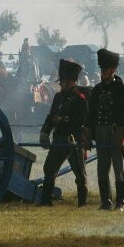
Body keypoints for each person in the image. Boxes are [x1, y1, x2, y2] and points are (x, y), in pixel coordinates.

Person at [37, 59, 89, 207]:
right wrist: (45, 131)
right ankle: (46, 201)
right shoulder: (58, 97)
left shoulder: (80, 99)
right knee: (49, 168)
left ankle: (83, 202)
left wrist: (63, 121)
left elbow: (81, 121)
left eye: (62, 81)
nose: (59, 84)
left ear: (70, 81)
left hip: (74, 140)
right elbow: (51, 116)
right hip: (59, 139)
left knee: (79, 172)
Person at [88, 48, 124, 211]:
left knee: (118, 168)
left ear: (113, 69)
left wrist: (119, 129)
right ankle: (105, 201)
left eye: (105, 69)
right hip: (100, 132)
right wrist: (89, 132)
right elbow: (91, 113)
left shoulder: (121, 89)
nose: (102, 72)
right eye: (102, 69)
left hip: (115, 132)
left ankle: (120, 202)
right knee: (102, 168)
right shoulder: (97, 90)